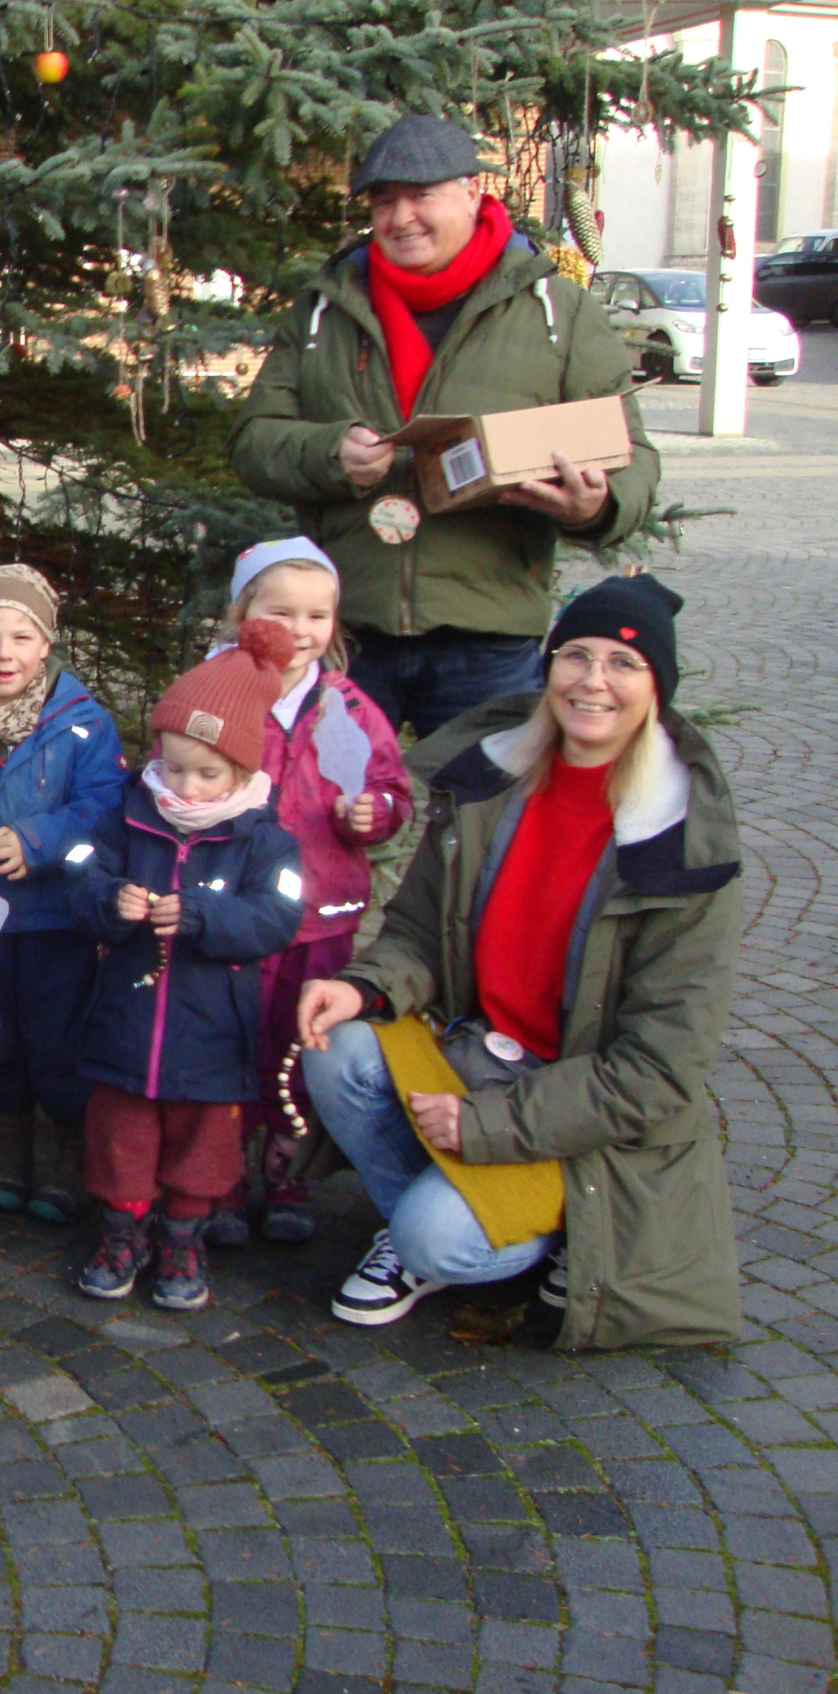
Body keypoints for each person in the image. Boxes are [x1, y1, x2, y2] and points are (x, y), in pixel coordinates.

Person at [298, 576, 744, 1349]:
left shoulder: (681, 845)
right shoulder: (494, 782)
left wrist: (490, 1126)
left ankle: (493, 1234)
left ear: (657, 688)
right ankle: (446, 1213)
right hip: (481, 1053)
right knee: (337, 1046)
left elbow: (658, 1071)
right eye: (575, 656)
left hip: (583, 1115)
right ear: (549, 666)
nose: (592, 682)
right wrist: (361, 985)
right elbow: (419, 933)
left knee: (435, 1237)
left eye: (623, 664)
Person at [229, 113, 662, 738]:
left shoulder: (555, 311)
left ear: (472, 192)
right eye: (383, 201)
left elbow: (634, 457)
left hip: (487, 639)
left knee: (483, 825)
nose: (401, 217)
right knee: (322, 824)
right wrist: (330, 453)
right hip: (344, 628)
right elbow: (253, 443)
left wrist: (593, 505)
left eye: (420, 195)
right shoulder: (326, 308)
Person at [67, 621, 305, 1313]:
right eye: (174, 768)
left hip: (213, 1031)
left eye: (208, 774)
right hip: (126, 1025)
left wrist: (202, 916)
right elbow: (82, 874)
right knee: (121, 1135)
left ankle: (182, 1236)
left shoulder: (265, 841)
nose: (187, 787)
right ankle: (121, 1231)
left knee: (204, 1143)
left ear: (242, 771)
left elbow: (278, 916)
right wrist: (113, 901)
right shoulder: (125, 815)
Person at [202, 539, 411, 1248]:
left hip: (323, 913)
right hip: (234, 907)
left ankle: (289, 1167)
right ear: (242, 615)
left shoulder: (347, 706)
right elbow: (174, 774)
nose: (300, 631)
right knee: (231, 1041)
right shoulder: (215, 693)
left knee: (297, 1042)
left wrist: (374, 814)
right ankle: (221, 1176)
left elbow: (390, 787)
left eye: (318, 615)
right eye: (280, 612)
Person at [0, 564, 125, 1222]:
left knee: (58, 1039)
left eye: (22, 637)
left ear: (46, 644)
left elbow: (104, 810)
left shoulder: (81, 724)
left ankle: (65, 1149)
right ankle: (7, 1142)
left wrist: (40, 840)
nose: (4, 653)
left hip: (55, 918)